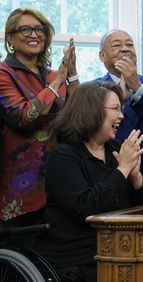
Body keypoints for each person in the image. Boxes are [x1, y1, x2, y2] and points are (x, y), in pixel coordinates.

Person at [37, 81, 143, 282]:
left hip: (119, 248)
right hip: (79, 256)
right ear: (91, 111)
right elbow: (87, 207)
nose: (121, 116)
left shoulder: (115, 150)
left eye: (122, 109)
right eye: (116, 109)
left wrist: (136, 177)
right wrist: (123, 169)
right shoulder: (63, 156)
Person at [0, 8, 78, 242]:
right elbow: (24, 117)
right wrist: (58, 81)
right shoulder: (4, 74)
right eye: (25, 29)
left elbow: (76, 117)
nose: (34, 34)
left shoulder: (53, 74)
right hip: (19, 189)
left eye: (39, 29)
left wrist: (71, 74)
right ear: (10, 39)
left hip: (58, 183)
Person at [96, 29, 143, 179]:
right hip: (110, 168)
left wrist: (137, 86)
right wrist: (120, 103)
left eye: (129, 44)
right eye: (117, 45)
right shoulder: (93, 89)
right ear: (102, 56)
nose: (125, 48)